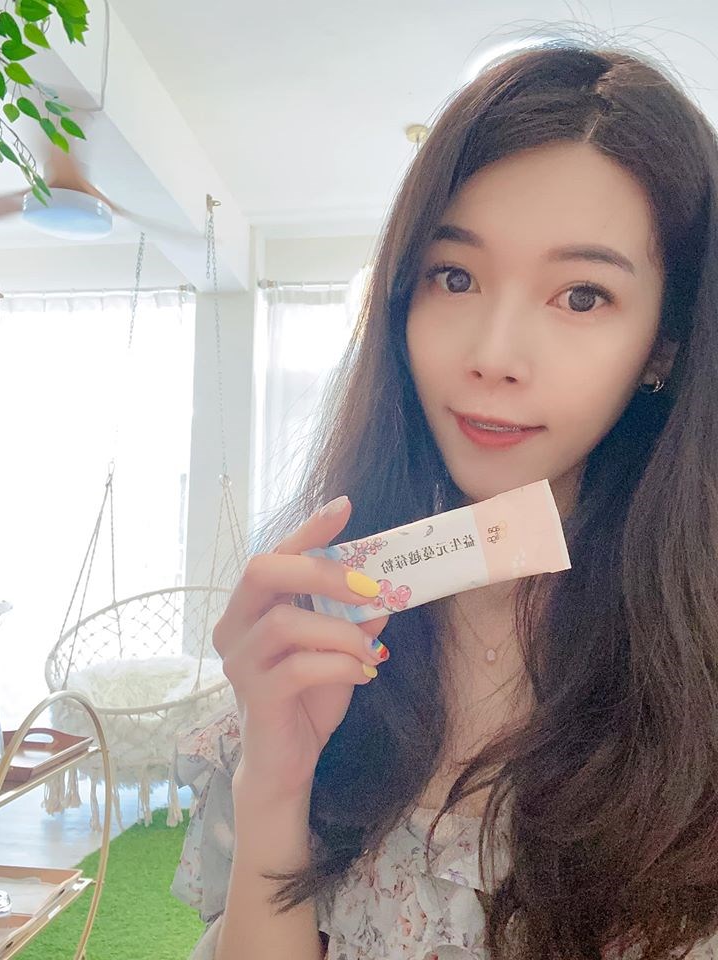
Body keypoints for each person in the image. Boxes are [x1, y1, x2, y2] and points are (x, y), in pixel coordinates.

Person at [171, 37, 718, 960]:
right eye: (454, 276)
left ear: (664, 343)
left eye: (582, 296)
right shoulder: (328, 631)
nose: (493, 354)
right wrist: (276, 777)